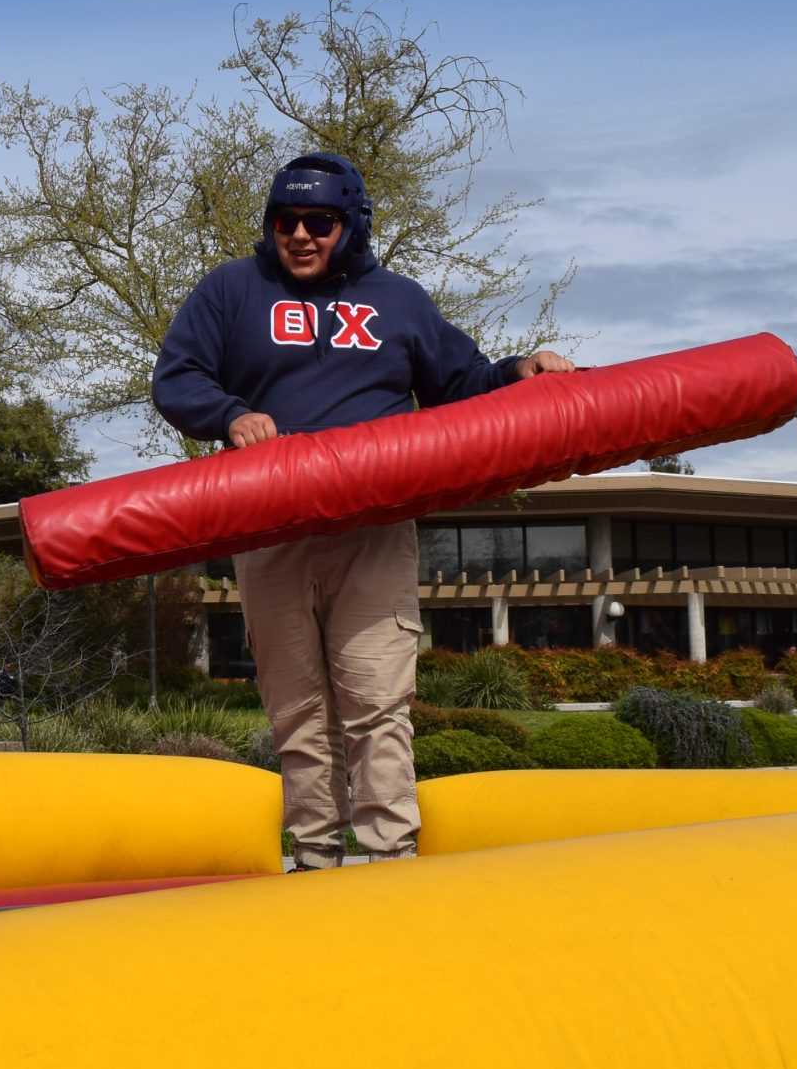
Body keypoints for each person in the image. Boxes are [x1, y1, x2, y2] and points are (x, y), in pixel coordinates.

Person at [152, 153, 571, 870]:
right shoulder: (231, 289)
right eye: (286, 222)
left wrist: (517, 373)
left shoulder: (399, 300)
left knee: (376, 702)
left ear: (352, 225)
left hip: (375, 531)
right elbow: (176, 376)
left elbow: (459, 384)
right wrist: (231, 414)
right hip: (270, 527)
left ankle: (389, 859)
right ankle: (314, 858)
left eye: (320, 221)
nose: (301, 235)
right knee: (298, 711)